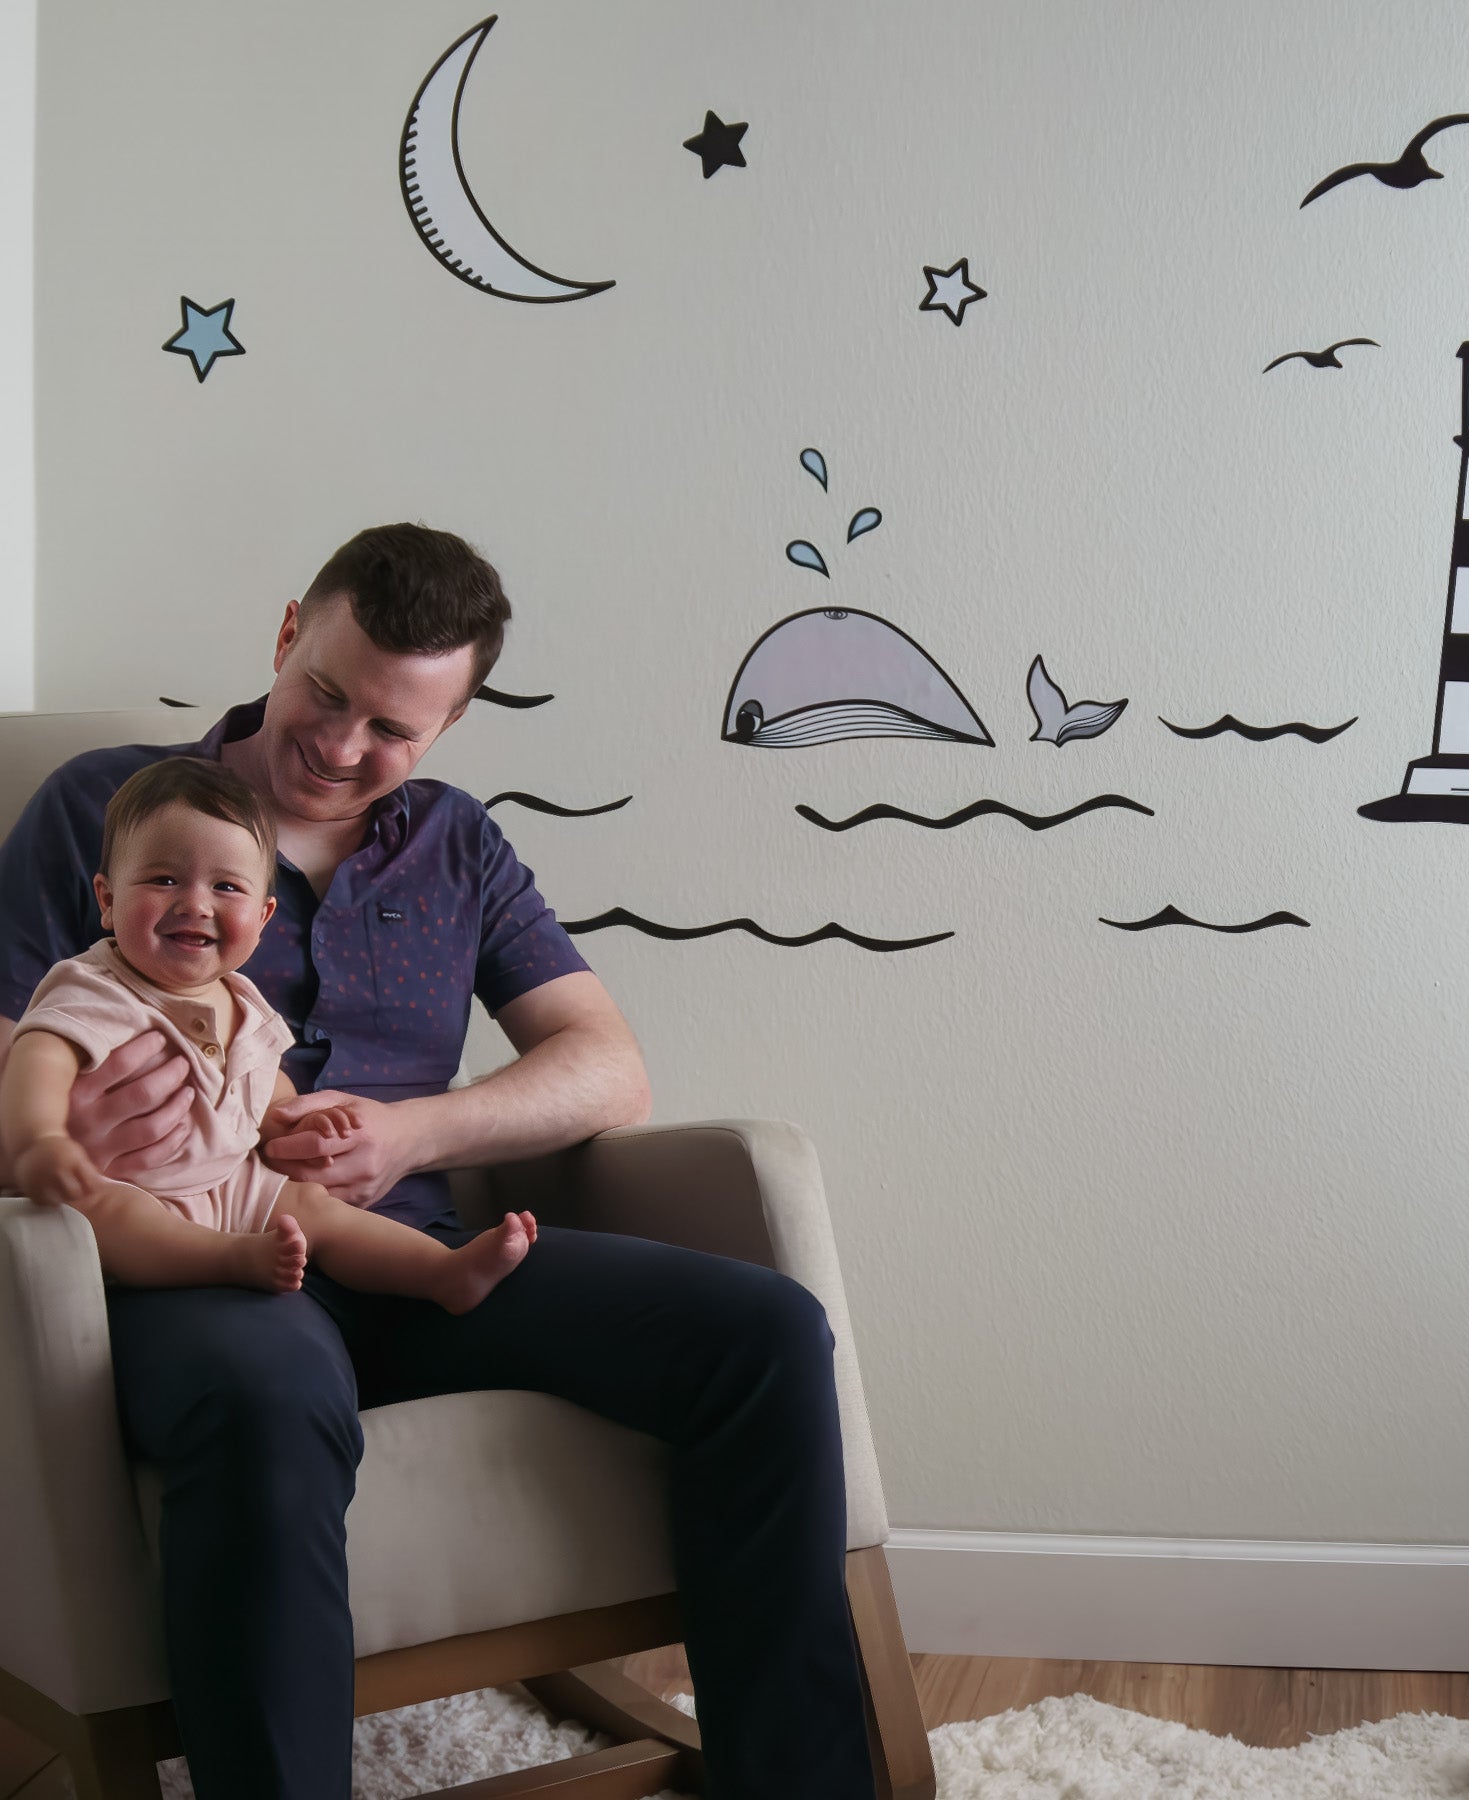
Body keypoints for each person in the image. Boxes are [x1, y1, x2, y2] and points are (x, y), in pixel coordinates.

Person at [0, 522, 877, 1800]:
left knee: (766, 1334)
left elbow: (607, 1067)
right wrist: (70, 1138)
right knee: (265, 1401)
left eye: (394, 730)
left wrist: (411, 1132)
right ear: (288, 633)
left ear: (452, 723)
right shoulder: (109, 806)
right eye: (326, 694)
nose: (341, 747)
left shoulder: (456, 842)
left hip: (415, 1254)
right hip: (204, 1262)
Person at [1, 756, 539, 1308]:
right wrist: (41, 1139)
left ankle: (441, 1271)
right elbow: (38, 1060)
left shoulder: (241, 998)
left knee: (317, 1210)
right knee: (113, 1214)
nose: (196, 903)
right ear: (109, 900)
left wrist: (294, 1120)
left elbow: (262, 1085)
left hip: (236, 1181)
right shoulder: (96, 987)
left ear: (262, 919)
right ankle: (232, 1260)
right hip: (137, 1188)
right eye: (163, 880)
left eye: (227, 887)